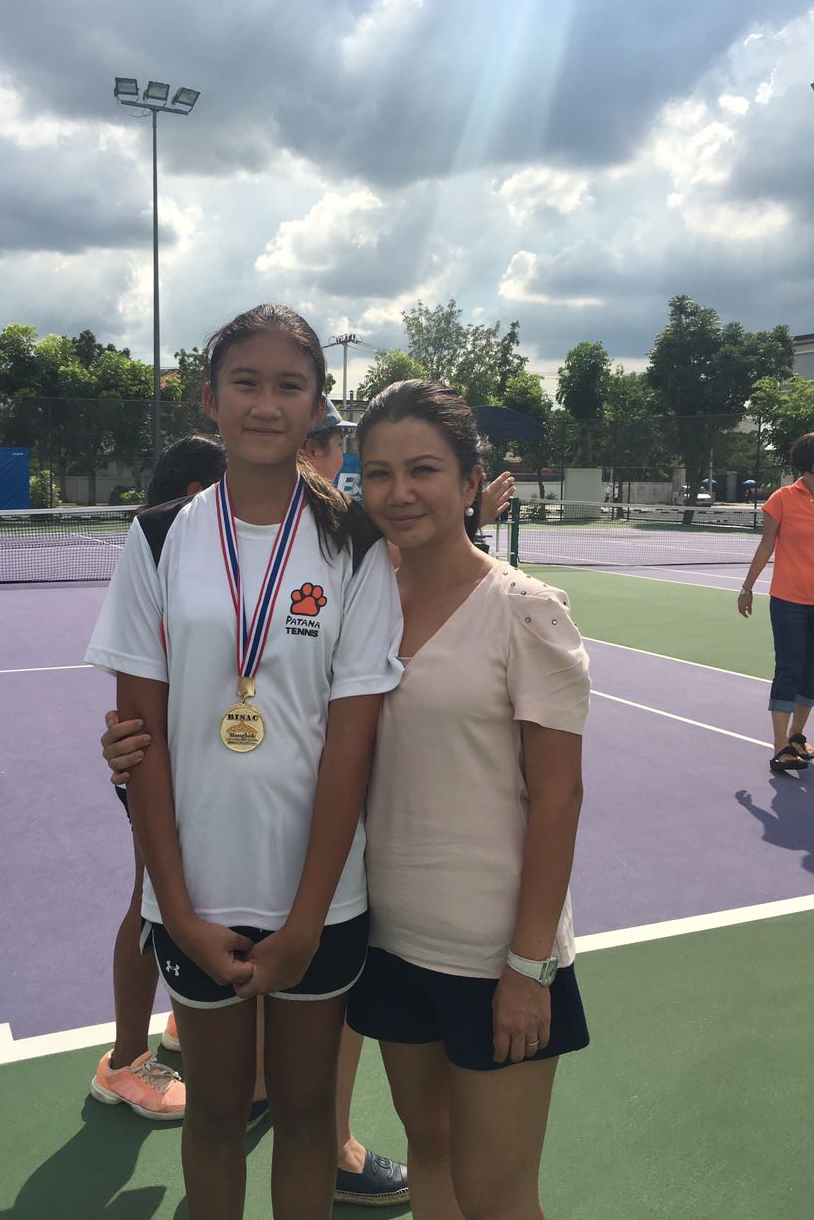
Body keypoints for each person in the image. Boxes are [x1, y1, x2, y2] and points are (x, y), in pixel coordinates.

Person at [85, 304, 403, 1220]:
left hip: (320, 900)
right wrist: (177, 913)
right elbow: (139, 742)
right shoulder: (156, 538)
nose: (267, 404)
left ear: (317, 406)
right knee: (217, 1114)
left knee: (303, 1115)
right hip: (197, 895)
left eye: (289, 385)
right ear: (211, 399)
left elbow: (352, 744)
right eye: (246, 383)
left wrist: (307, 920)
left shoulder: (354, 543)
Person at [347, 380, 590, 1219]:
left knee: (496, 1195)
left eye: (422, 470)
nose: (399, 492)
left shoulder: (526, 611)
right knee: (430, 1148)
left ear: (470, 481)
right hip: (391, 939)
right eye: (379, 473)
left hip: (496, 958)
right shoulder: (363, 602)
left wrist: (527, 968)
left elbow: (558, 799)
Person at [89, 436, 226, 1122]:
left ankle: (180, 1016)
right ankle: (122, 1062)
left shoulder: (219, 559)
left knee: (196, 896)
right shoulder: (162, 551)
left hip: (206, 767)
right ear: (197, 492)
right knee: (153, 902)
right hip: (157, 766)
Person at [738, 432, 814, 775]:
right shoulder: (781, 499)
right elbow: (766, 546)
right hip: (789, 602)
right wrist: (747, 588)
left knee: (811, 673)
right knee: (789, 669)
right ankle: (780, 746)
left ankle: (797, 736)